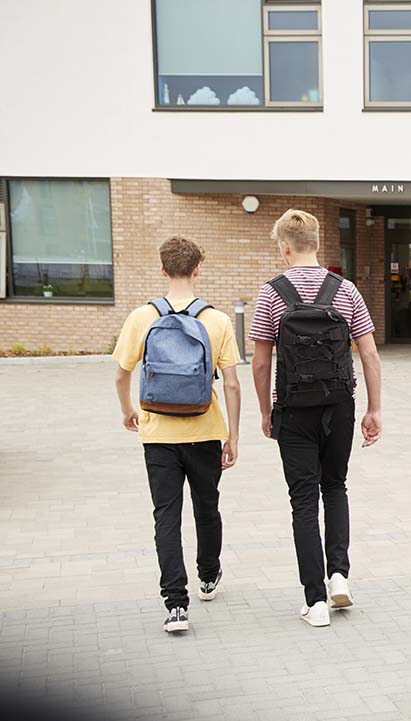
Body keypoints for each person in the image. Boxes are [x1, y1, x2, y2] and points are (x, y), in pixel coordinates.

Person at [250, 209, 383, 629]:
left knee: (303, 500)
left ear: (283, 247)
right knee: (335, 485)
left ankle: (315, 601)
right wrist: (373, 409)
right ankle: (339, 574)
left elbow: (259, 361)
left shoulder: (271, 294)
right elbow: (369, 354)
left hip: (293, 408)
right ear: (319, 243)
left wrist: (265, 410)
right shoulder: (345, 290)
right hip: (339, 405)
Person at [112, 236, 241, 634]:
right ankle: (208, 575)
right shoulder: (216, 320)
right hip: (204, 432)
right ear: (198, 268)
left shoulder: (141, 318)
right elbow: (233, 385)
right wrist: (232, 436)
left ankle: (176, 606)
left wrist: (128, 411)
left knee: (166, 515)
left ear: (163, 270)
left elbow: (121, 373)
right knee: (207, 507)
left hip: (157, 433)